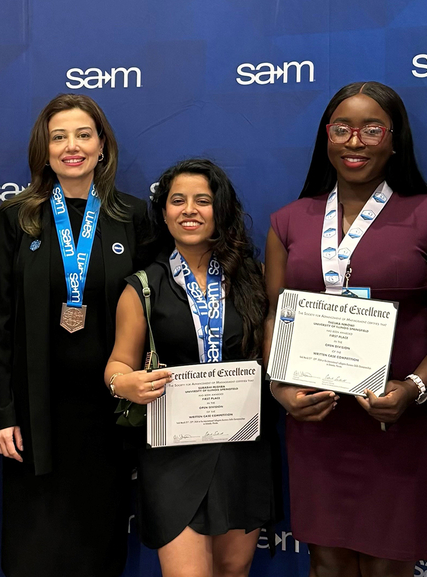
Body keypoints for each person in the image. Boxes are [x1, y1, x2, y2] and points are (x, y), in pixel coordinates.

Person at [264, 81, 427, 577]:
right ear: (325, 137)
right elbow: (273, 314)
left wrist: (413, 388)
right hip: (317, 423)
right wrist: (280, 387)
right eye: (341, 128)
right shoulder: (288, 221)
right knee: (326, 562)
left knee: (389, 564)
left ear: (395, 140)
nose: (355, 141)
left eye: (372, 129)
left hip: (395, 422)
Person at [0, 93, 152, 577]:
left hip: (108, 416)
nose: (71, 146)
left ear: (103, 147)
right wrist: (2, 411)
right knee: (34, 551)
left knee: (96, 547)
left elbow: (149, 313)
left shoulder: (132, 216)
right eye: (59, 136)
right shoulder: (17, 216)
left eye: (83, 134)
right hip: (34, 418)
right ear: (44, 148)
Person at [105, 158, 276, 577]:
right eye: (177, 200)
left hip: (242, 446)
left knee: (233, 570)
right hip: (172, 453)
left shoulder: (256, 278)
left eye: (203, 200)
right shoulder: (142, 287)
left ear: (221, 209)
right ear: (163, 212)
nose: (189, 210)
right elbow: (117, 364)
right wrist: (124, 383)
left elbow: (277, 359)